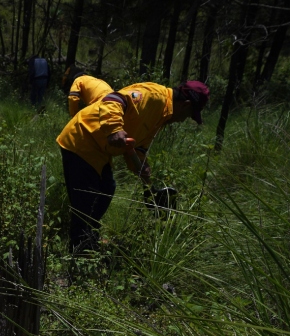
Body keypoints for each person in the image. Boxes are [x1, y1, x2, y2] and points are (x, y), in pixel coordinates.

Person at [56, 81, 209, 252]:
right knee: (86, 202)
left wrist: (142, 167)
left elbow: (137, 146)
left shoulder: (161, 115)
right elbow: (113, 99)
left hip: (100, 150)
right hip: (81, 139)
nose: (182, 120)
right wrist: (114, 129)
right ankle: (78, 255)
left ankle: (89, 239)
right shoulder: (153, 97)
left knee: (107, 190)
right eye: (188, 115)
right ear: (185, 104)